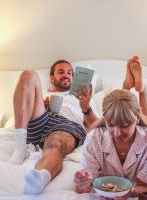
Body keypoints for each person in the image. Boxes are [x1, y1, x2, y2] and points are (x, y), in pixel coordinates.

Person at [74, 57, 147, 198]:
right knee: (122, 110)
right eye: (110, 124)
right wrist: (83, 182)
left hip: (144, 129)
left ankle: (142, 89)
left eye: (125, 125)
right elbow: (85, 184)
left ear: (136, 119)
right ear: (105, 118)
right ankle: (128, 87)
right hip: (122, 115)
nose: (116, 133)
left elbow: (145, 185)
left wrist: (129, 193)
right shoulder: (94, 138)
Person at [8, 60, 98, 194]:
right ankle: (20, 147)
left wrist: (85, 106)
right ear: (51, 77)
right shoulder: (41, 92)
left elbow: (94, 125)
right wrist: (41, 106)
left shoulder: (82, 97)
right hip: (42, 117)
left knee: (55, 144)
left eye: (69, 73)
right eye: (61, 72)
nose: (66, 75)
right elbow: (22, 109)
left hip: (66, 124)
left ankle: (41, 177)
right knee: (28, 74)